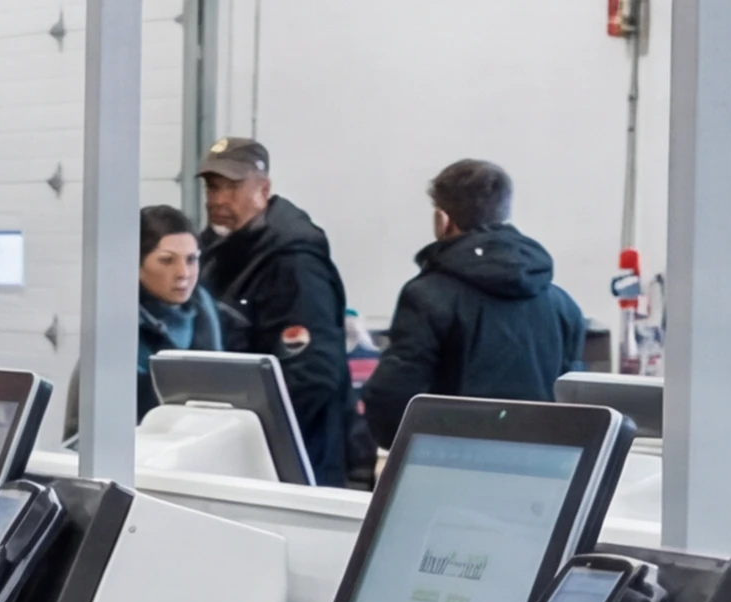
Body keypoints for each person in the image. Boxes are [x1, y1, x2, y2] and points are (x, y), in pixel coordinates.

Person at [362, 156, 594, 462]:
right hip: (541, 477)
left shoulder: (426, 296)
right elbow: (573, 404)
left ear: (441, 220)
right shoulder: (564, 306)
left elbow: (392, 396)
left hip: (449, 472)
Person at [200, 137, 366, 482]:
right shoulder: (213, 253)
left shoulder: (294, 263)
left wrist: (248, 439)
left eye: (231, 187)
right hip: (234, 454)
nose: (217, 199)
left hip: (299, 461)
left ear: (263, 189)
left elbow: (310, 375)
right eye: (212, 187)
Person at [136, 203, 231, 356]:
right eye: (167, 260)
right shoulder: (116, 324)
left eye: (192, 259)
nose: (184, 273)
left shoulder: (208, 311)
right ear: (137, 266)